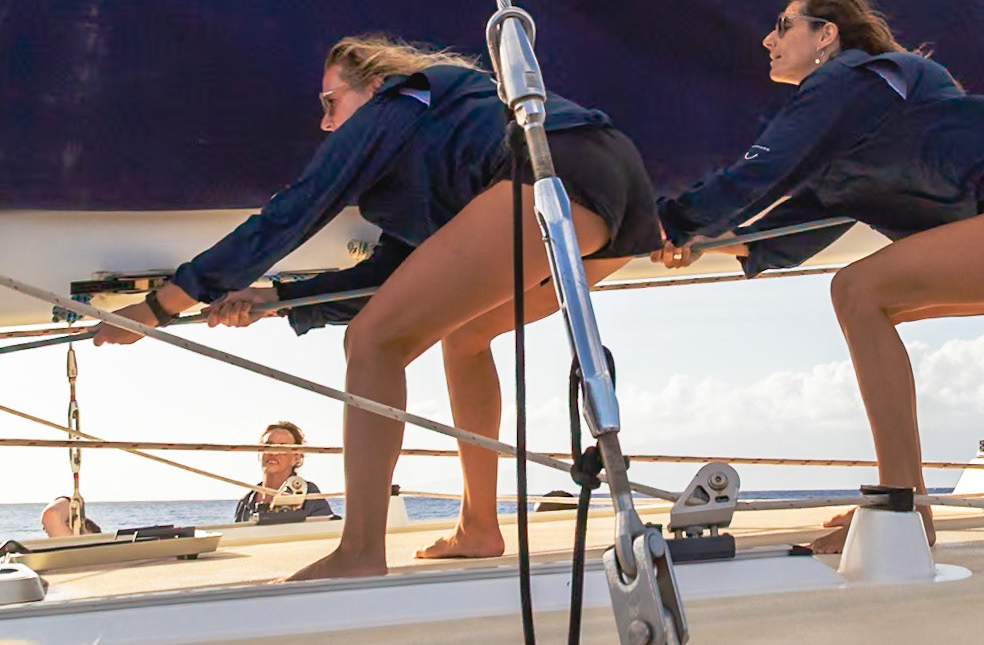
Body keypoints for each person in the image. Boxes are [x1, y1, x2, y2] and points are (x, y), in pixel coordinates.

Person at [91, 35, 661, 579]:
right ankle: (478, 527)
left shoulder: (399, 100)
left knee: (369, 343)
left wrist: (161, 307)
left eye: (330, 101)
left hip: (552, 172)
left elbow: (294, 210)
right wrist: (279, 299)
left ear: (376, 84)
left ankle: (361, 548)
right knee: (461, 336)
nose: (325, 121)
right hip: (616, 190)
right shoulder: (428, 150)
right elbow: (390, 280)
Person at [654, 0, 984, 553]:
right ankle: (906, 506)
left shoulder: (859, 78)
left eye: (785, 24)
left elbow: (762, 169)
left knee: (856, 289)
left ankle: (900, 507)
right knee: (867, 302)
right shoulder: (851, 140)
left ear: (826, 34)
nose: (769, 38)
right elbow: (782, 237)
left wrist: (672, 220)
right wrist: (699, 242)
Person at [234, 421, 339, 523]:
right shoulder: (246, 503)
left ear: (296, 458)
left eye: (282, 447)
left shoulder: (308, 495)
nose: (273, 452)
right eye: (268, 446)